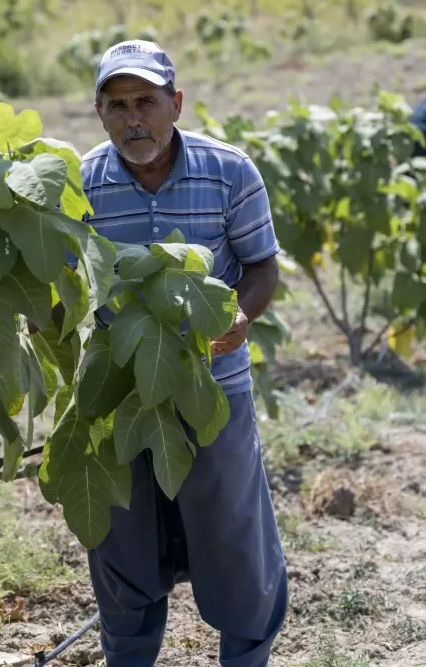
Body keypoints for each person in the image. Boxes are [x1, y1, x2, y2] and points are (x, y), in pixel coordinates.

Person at [76, 39, 289, 667]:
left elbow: (260, 265)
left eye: (146, 101)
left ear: (176, 102)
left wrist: (240, 316)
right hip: (120, 390)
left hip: (209, 383)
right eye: (117, 105)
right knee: (123, 537)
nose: (133, 118)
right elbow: (67, 285)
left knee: (231, 533)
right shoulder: (82, 182)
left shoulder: (230, 171)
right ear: (99, 112)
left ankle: (247, 656)